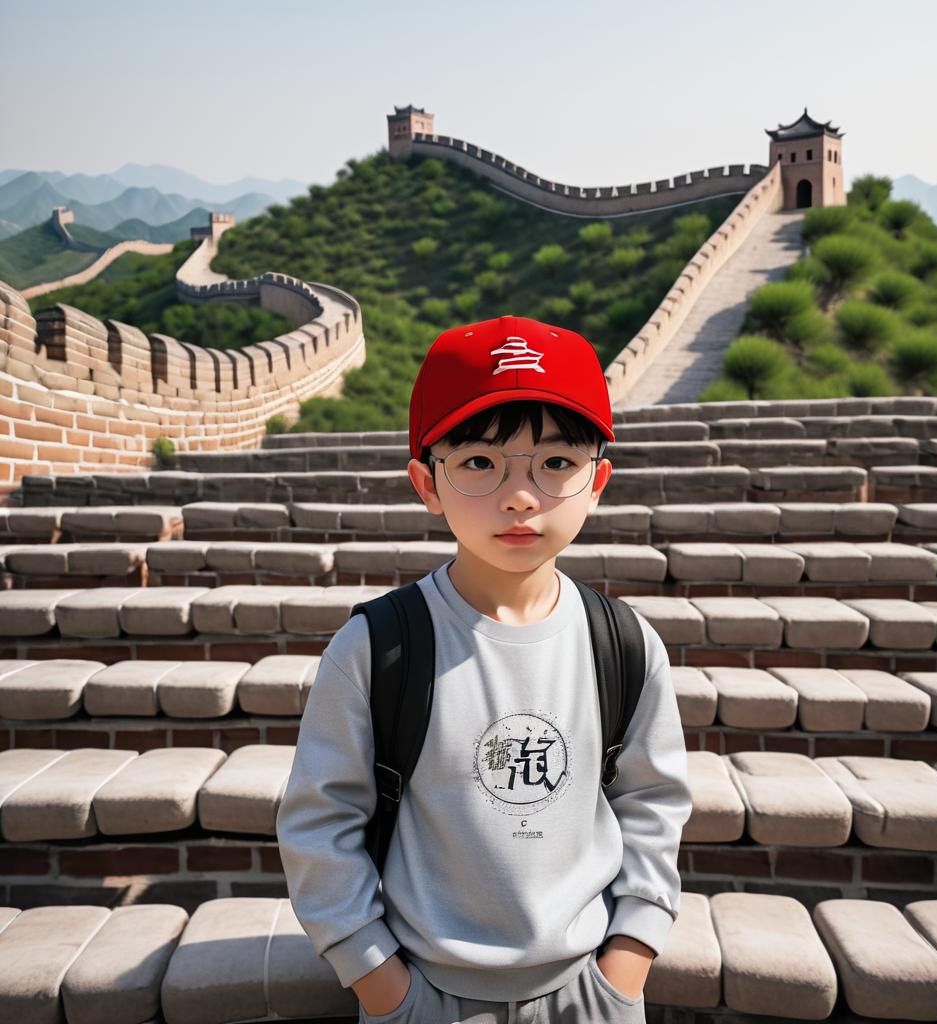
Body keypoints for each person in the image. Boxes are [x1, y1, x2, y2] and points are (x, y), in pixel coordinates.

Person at [277, 314, 693, 1023]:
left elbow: (652, 807)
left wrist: (628, 963)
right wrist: (382, 985)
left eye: (556, 463)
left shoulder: (622, 644)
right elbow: (320, 823)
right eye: (478, 462)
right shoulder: (379, 647)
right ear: (426, 483)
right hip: (424, 996)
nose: (520, 496)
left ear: (598, 482)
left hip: (590, 994)